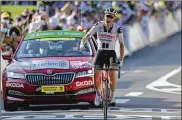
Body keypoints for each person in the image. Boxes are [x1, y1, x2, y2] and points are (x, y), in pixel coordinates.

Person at [79, 7, 125, 106]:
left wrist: (121, 60)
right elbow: (87, 36)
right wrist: (82, 45)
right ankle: (98, 94)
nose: (108, 18)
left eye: (110, 16)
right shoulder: (98, 25)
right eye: (106, 15)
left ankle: (112, 95)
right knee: (95, 74)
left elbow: (122, 45)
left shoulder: (117, 29)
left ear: (114, 18)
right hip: (100, 52)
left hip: (111, 53)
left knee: (112, 73)